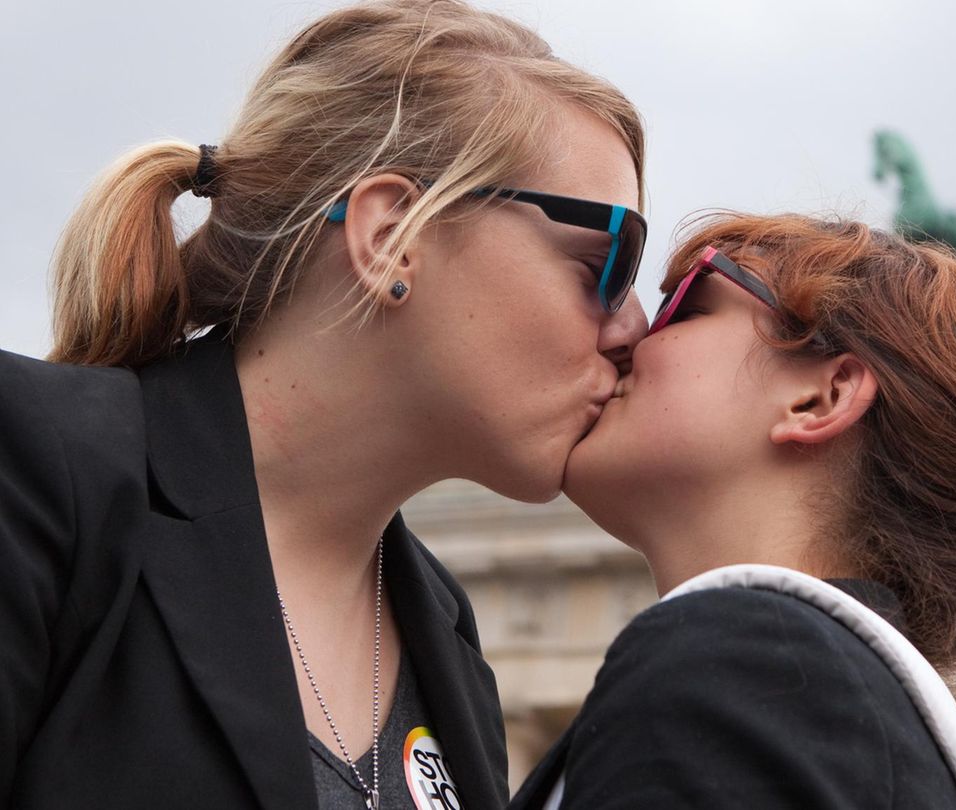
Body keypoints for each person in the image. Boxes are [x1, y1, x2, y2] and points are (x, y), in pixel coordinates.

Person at [0, 1, 649, 807]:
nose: (634, 328)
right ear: (390, 233)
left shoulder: (446, 639)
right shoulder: (31, 468)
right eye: (606, 261)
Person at [509, 214, 956, 809]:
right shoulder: (857, 718)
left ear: (822, 397)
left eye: (686, 304)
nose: (628, 332)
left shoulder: (737, 670)